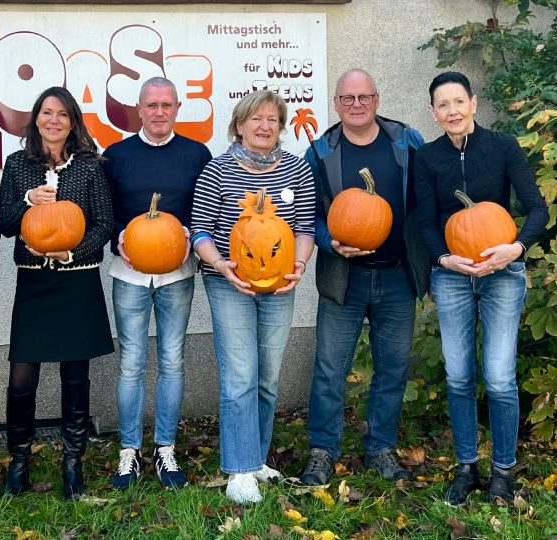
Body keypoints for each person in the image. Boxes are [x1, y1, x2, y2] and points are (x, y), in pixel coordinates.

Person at [415, 71, 547, 506]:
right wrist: (443, 259)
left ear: (473, 102)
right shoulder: (428, 157)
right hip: (452, 275)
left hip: (501, 275)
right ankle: (467, 466)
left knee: (499, 376)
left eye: (458, 101)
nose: (452, 111)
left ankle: (503, 472)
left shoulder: (503, 147)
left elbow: (537, 208)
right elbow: (426, 219)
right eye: (442, 105)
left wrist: (516, 248)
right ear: (434, 113)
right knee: (458, 375)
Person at [299, 69, 428, 487]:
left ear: (377, 98)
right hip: (344, 278)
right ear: (336, 103)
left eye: (364, 96)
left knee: (392, 369)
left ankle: (380, 448)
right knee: (329, 368)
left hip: (396, 278)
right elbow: (308, 213)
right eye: (347, 98)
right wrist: (329, 241)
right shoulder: (320, 152)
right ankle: (323, 451)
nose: (357, 104)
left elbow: (427, 200)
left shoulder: (407, 142)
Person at [190, 90, 315, 503]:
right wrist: (223, 265)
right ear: (239, 125)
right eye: (256, 119)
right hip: (229, 283)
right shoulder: (218, 171)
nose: (265, 126)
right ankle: (238, 471)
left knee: (268, 375)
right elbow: (201, 232)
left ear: (280, 127)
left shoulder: (296, 170)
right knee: (240, 374)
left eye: (273, 120)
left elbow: (305, 228)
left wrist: (297, 266)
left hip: (280, 284)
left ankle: (255, 456)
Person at [0, 86, 114, 500]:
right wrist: (27, 200)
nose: (53, 120)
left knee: (75, 378)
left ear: (73, 121)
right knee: (21, 378)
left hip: (77, 281)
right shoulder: (16, 165)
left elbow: (104, 225)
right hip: (34, 282)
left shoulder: (90, 167)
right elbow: (4, 221)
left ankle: (73, 462)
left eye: (62, 114)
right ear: (35, 118)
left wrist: (72, 251)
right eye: (47, 112)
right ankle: (19, 462)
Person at [103, 77, 212, 490]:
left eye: (167, 104)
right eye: (152, 105)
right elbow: (104, 213)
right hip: (128, 272)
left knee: (172, 359)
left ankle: (165, 447)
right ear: (139, 109)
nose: (159, 111)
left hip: (177, 272)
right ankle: (129, 450)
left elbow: (204, 209)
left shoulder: (195, 154)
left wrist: (189, 235)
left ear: (178, 107)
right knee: (131, 361)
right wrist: (119, 238)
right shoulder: (116, 155)